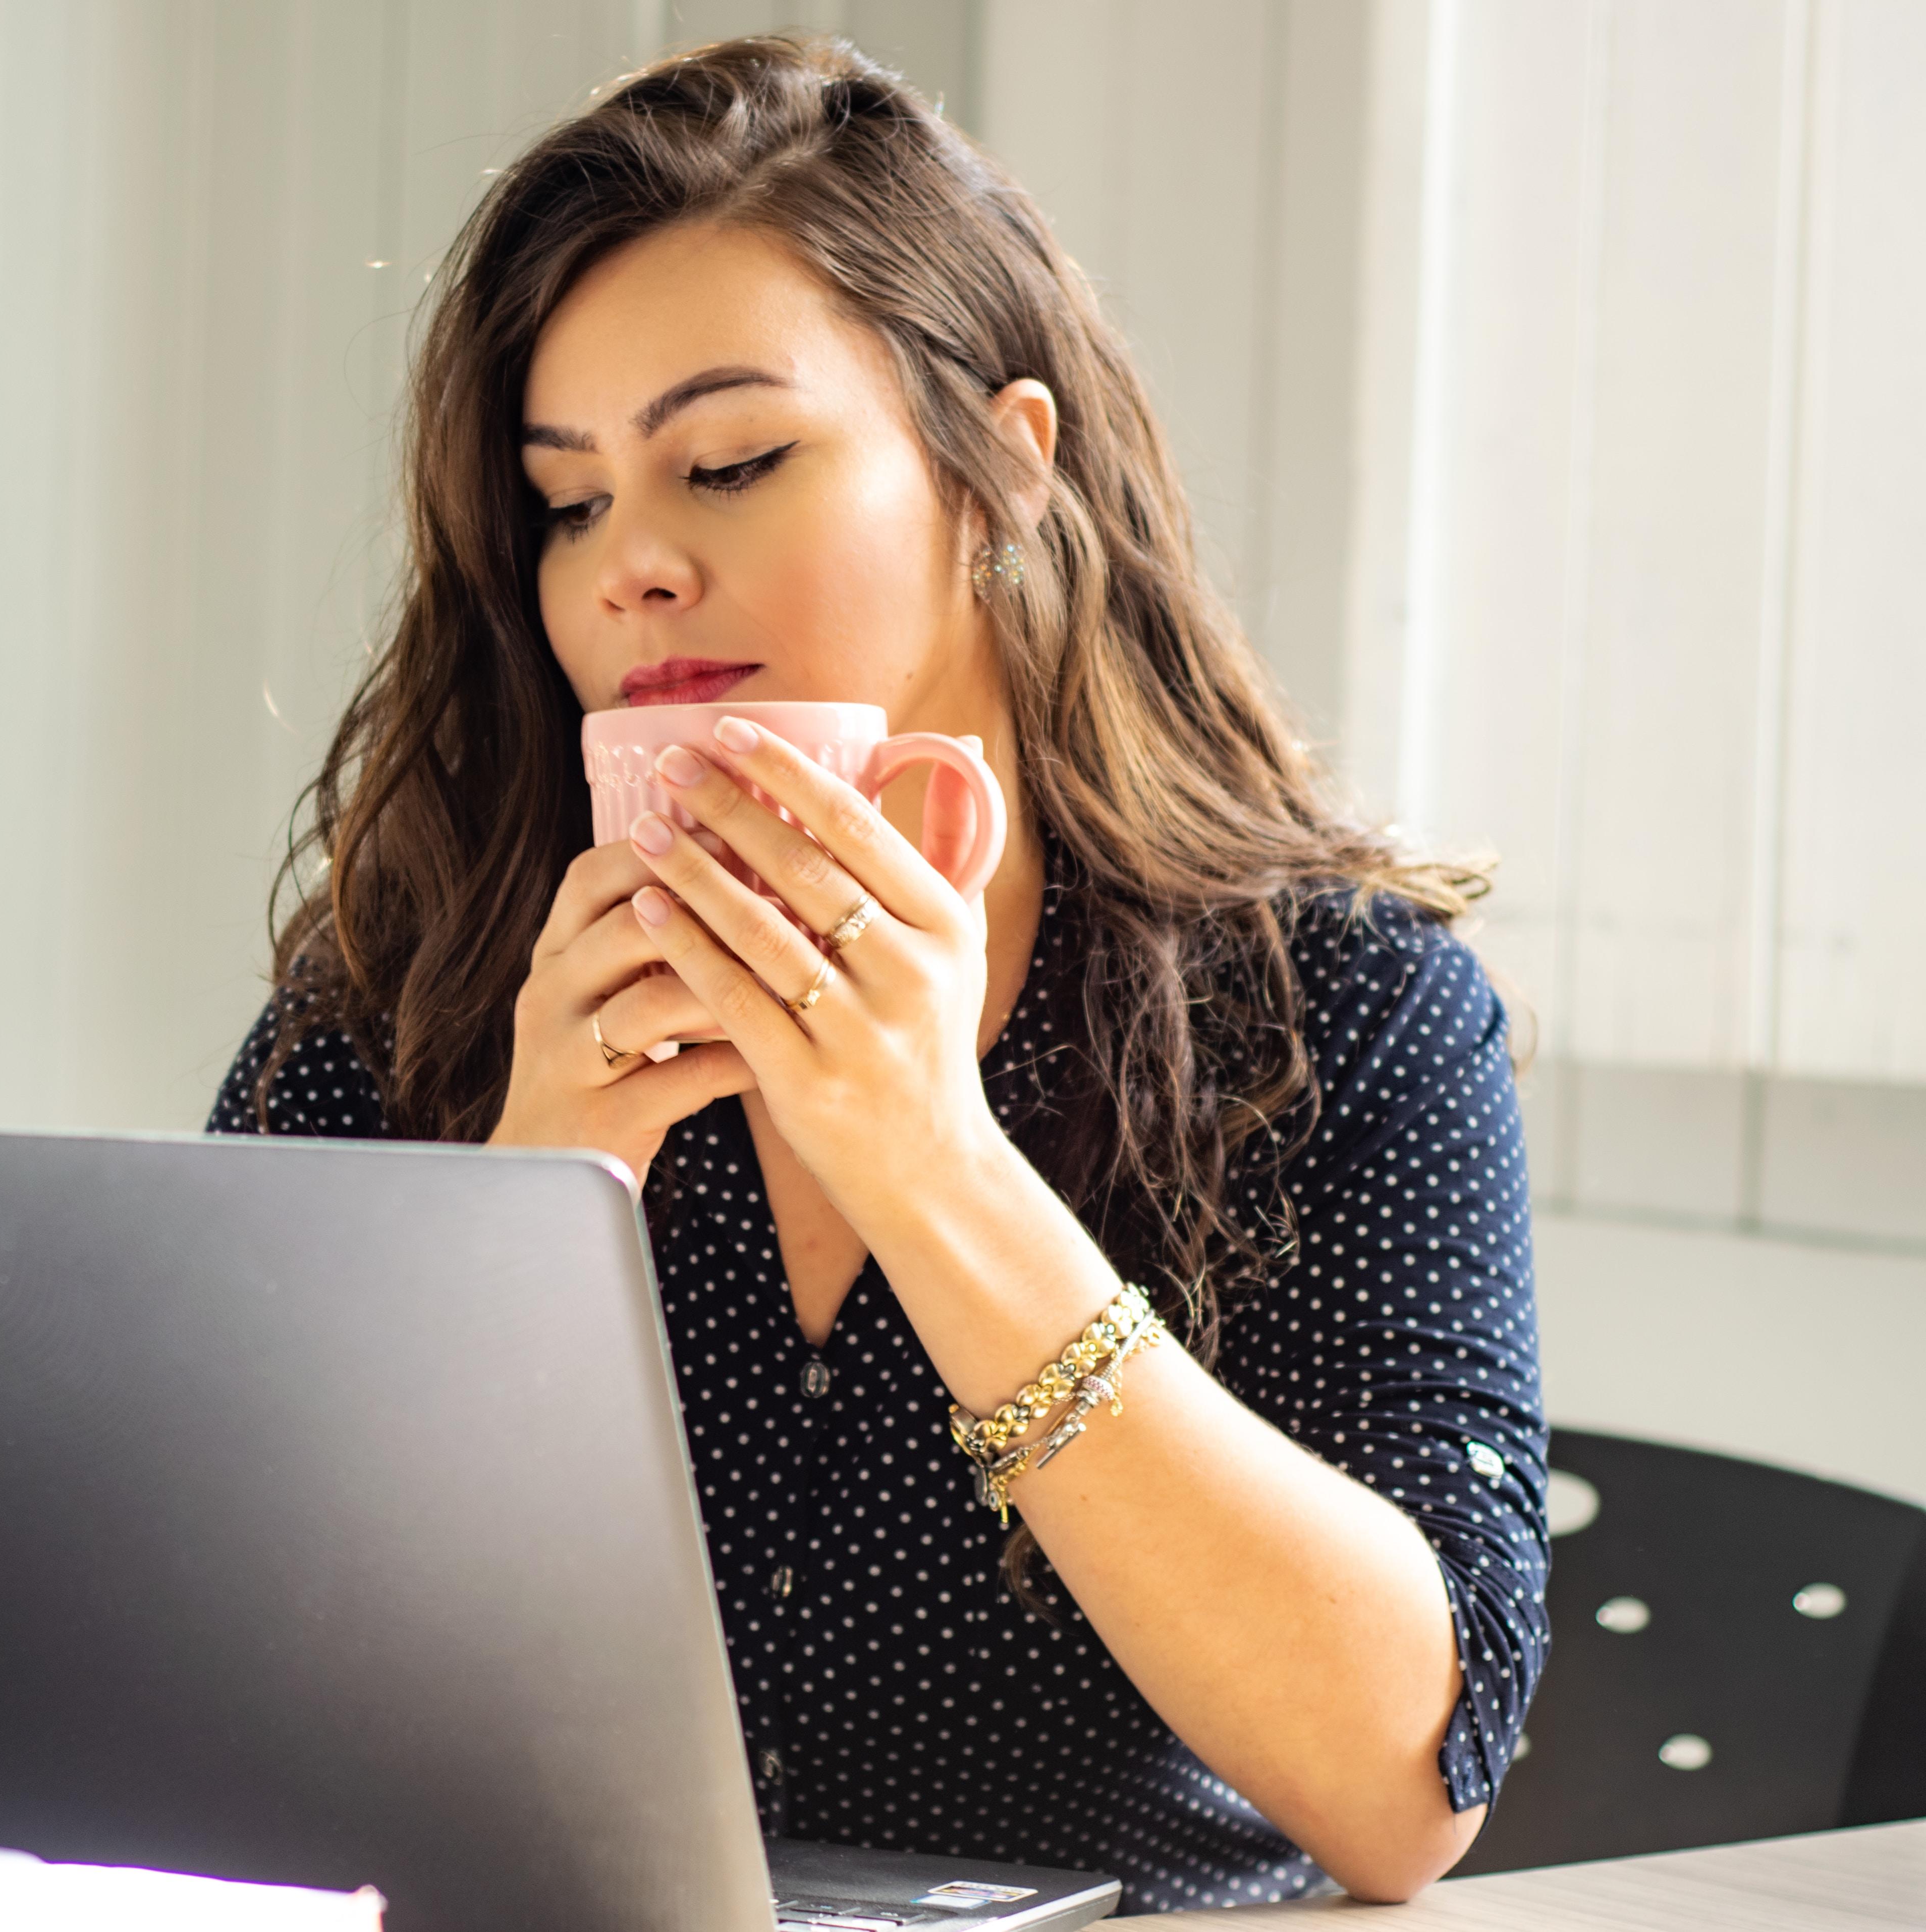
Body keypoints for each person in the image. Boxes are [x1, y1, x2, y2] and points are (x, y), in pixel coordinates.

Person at [207, 35, 1546, 1915]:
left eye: (732, 462)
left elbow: (1407, 1783)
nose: (631, 569)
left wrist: (934, 1163)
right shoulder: (410, 997)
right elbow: (206, 1712)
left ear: (1000, 468)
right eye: (568, 501)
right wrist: (512, 1219)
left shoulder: (1342, 1017)